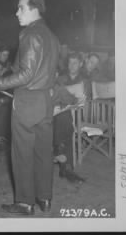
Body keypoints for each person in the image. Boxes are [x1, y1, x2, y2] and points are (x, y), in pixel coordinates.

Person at [0, 0, 60, 215]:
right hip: (45, 100)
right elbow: (35, 70)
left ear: (34, 8)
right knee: (44, 152)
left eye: (21, 8)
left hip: (28, 101)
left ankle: (25, 202)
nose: (17, 13)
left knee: (22, 153)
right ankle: (45, 198)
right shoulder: (51, 36)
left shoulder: (30, 34)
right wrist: (1, 78)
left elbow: (26, 75)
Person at [52, 52, 87, 183]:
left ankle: (60, 154)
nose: (72, 66)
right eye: (70, 62)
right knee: (64, 119)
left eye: (75, 63)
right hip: (61, 112)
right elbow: (54, 96)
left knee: (63, 117)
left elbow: (84, 98)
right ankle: (66, 168)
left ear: (81, 64)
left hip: (79, 113)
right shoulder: (60, 78)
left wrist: (68, 97)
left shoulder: (84, 79)